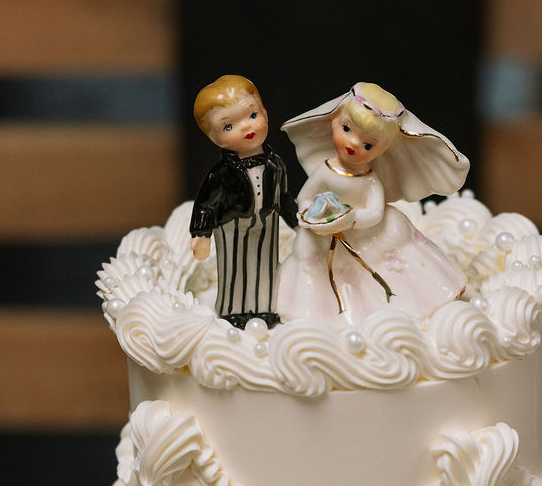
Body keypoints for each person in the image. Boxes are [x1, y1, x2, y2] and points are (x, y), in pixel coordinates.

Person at [278, 82, 469, 325]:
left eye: (368, 145)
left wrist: (352, 218)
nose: (353, 144)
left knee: (395, 230)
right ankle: (317, 312)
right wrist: (310, 215)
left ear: (382, 150)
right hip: (323, 230)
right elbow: (305, 197)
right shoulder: (325, 170)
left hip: (365, 231)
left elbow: (375, 212)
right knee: (307, 249)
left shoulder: (370, 180)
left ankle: (404, 301)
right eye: (347, 129)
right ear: (334, 122)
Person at [190, 75, 297, 328]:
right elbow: (207, 203)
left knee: (265, 267)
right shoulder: (221, 174)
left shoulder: (276, 165)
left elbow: (283, 198)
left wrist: (298, 223)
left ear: (265, 113)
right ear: (214, 138)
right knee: (235, 270)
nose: (246, 127)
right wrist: (201, 234)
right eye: (228, 126)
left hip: (268, 225)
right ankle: (233, 310)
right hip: (232, 228)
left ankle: (265, 308)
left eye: (252, 115)